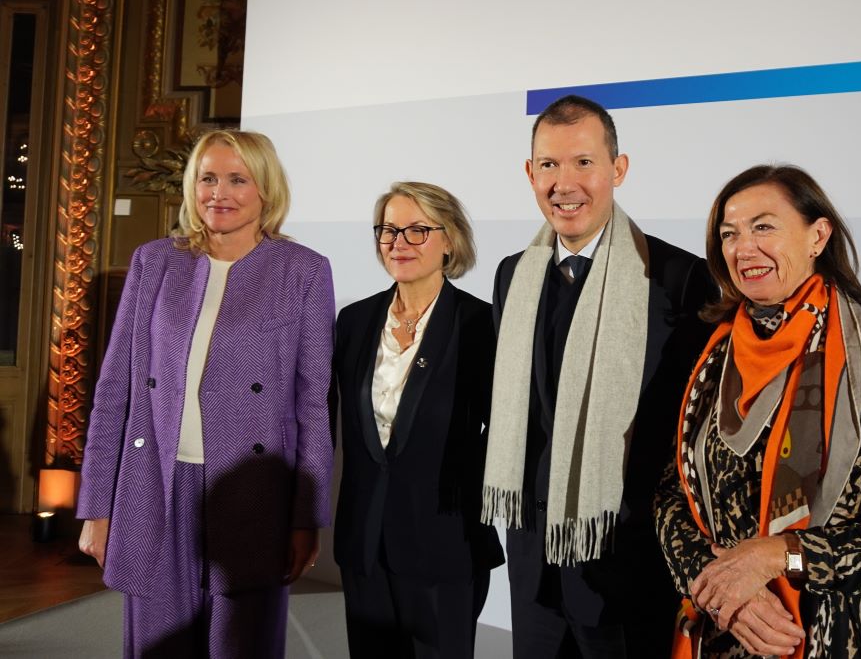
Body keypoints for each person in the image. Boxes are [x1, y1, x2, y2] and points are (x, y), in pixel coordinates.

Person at [654, 164, 861, 659]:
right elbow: (670, 495)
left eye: (763, 226)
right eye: (730, 234)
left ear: (818, 235)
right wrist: (726, 591)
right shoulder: (710, 361)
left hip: (830, 640)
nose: (743, 248)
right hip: (724, 632)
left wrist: (780, 555)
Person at [76, 129, 335, 657]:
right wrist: (97, 506)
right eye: (207, 178)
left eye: (237, 179)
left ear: (266, 189)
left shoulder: (303, 270)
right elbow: (114, 392)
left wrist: (306, 517)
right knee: (157, 647)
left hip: (251, 491)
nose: (219, 192)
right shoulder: (155, 262)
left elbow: (312, 406)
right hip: (154, 485)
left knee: (241, 645)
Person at [482, 95, 713, 658]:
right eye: (549, 165)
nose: (565, 183)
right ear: (529, 173)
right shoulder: (514, 274)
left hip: (627, 560)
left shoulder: (681, 279)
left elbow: (693, 435)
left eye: (584, 162)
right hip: (533, 560)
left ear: (618, 168)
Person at [332, 181, 503, 657]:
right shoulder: (354, 321)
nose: (398, 243)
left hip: (447, 546)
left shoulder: (482, 325)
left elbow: (506, 436)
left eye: (417, 230)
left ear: (449, 240)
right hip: (365, 545)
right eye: (388, 230)